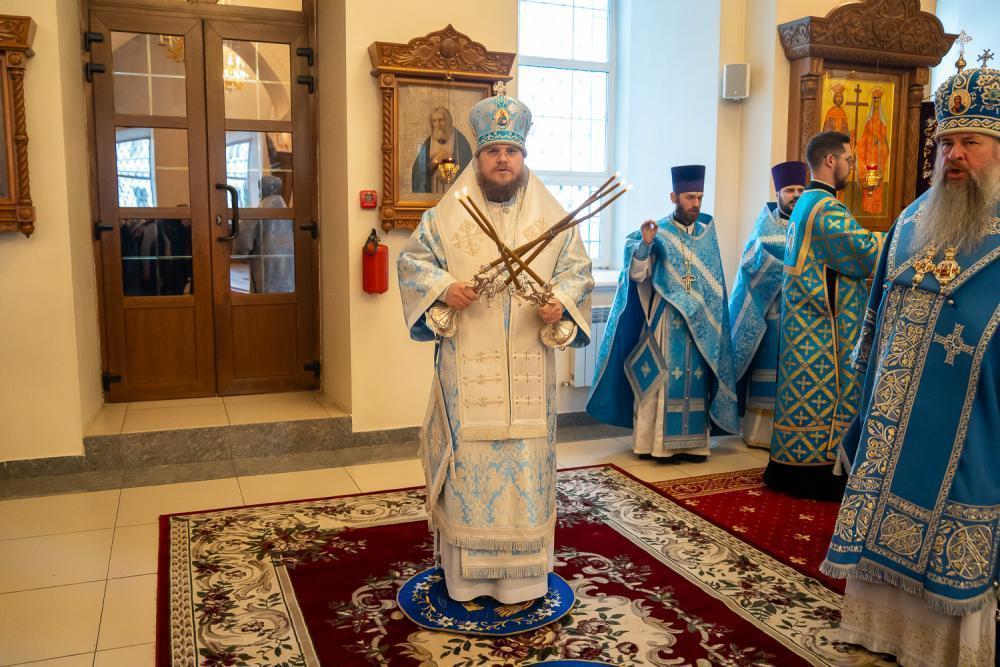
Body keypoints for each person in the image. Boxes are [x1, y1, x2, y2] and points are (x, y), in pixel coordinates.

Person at [821, 64, 1000, 667]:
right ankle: (879, 630)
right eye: (946, 143)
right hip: (893, 420)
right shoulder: (910, 222)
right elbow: (875, 318)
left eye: (971, 142)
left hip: (973, 425)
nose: (954, 155)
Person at [397, 89, 594, 604]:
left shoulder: (553, 220)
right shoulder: (446, 217)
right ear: (478, 157)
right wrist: (445, 289)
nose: (502, 159)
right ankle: (466, 578)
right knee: (470, 467)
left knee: (527, 465)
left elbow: (577, 273)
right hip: (467, 373)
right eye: (492, 151)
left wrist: (560, 303)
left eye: (511, 151)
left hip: (529, 372)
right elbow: (413, 264)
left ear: (523, 156)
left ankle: (524, 579)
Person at [587, 165, 738, 462]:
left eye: (699, 197)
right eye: (690, 197)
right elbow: (638, 275)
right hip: (665, 321)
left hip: (700, 326)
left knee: (696, 380)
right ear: (674, 197)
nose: (696, 203)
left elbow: (715, 284)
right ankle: (654, 444)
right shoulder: (659, 232)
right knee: (661, 380)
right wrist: (644, 245)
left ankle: (694, 445)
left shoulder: (707, 233)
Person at [765, 131, 883, 500]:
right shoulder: (824, 208)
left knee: (804, 398)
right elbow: (863, 252)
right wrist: (900, 235)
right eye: (848, 158)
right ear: (831, 160)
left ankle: (793, 470)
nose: (852, 167)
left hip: (808, 323)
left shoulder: (806, 203)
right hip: (823, 329)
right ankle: (817, 474)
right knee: (826, 399)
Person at [729, 160, 808, 449]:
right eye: (790, 190)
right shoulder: (765, 226)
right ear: (778, 194)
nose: (796, 195)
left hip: (803, 314)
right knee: (768, 372)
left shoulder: (810, 223)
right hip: (771, 313)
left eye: (800, 189)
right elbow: (750, 262)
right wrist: (789, 270)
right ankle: (760, 434)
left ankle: (793, 432)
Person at [410, 106, 474, 193]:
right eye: (435, 121)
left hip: (454, 193)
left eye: (441, 120)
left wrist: (452, 158)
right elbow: (418, 170)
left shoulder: (460, 141)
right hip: (433, 193)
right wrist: (435, 160)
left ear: (448, 121)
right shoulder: (428, 143)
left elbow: (468, 169)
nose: (438, 124)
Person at [856, 87, 890, 212]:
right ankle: (867, 207)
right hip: (868, 156)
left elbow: (885, 141)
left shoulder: (883, 123)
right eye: (874, 100)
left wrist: (879, 142)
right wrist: (857, 143)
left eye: (878, 100)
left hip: (878, 158)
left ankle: (876, 208)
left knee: (877, 184)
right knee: (867, 182)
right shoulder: (868, 122)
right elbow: (863, 139)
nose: (876, 103)